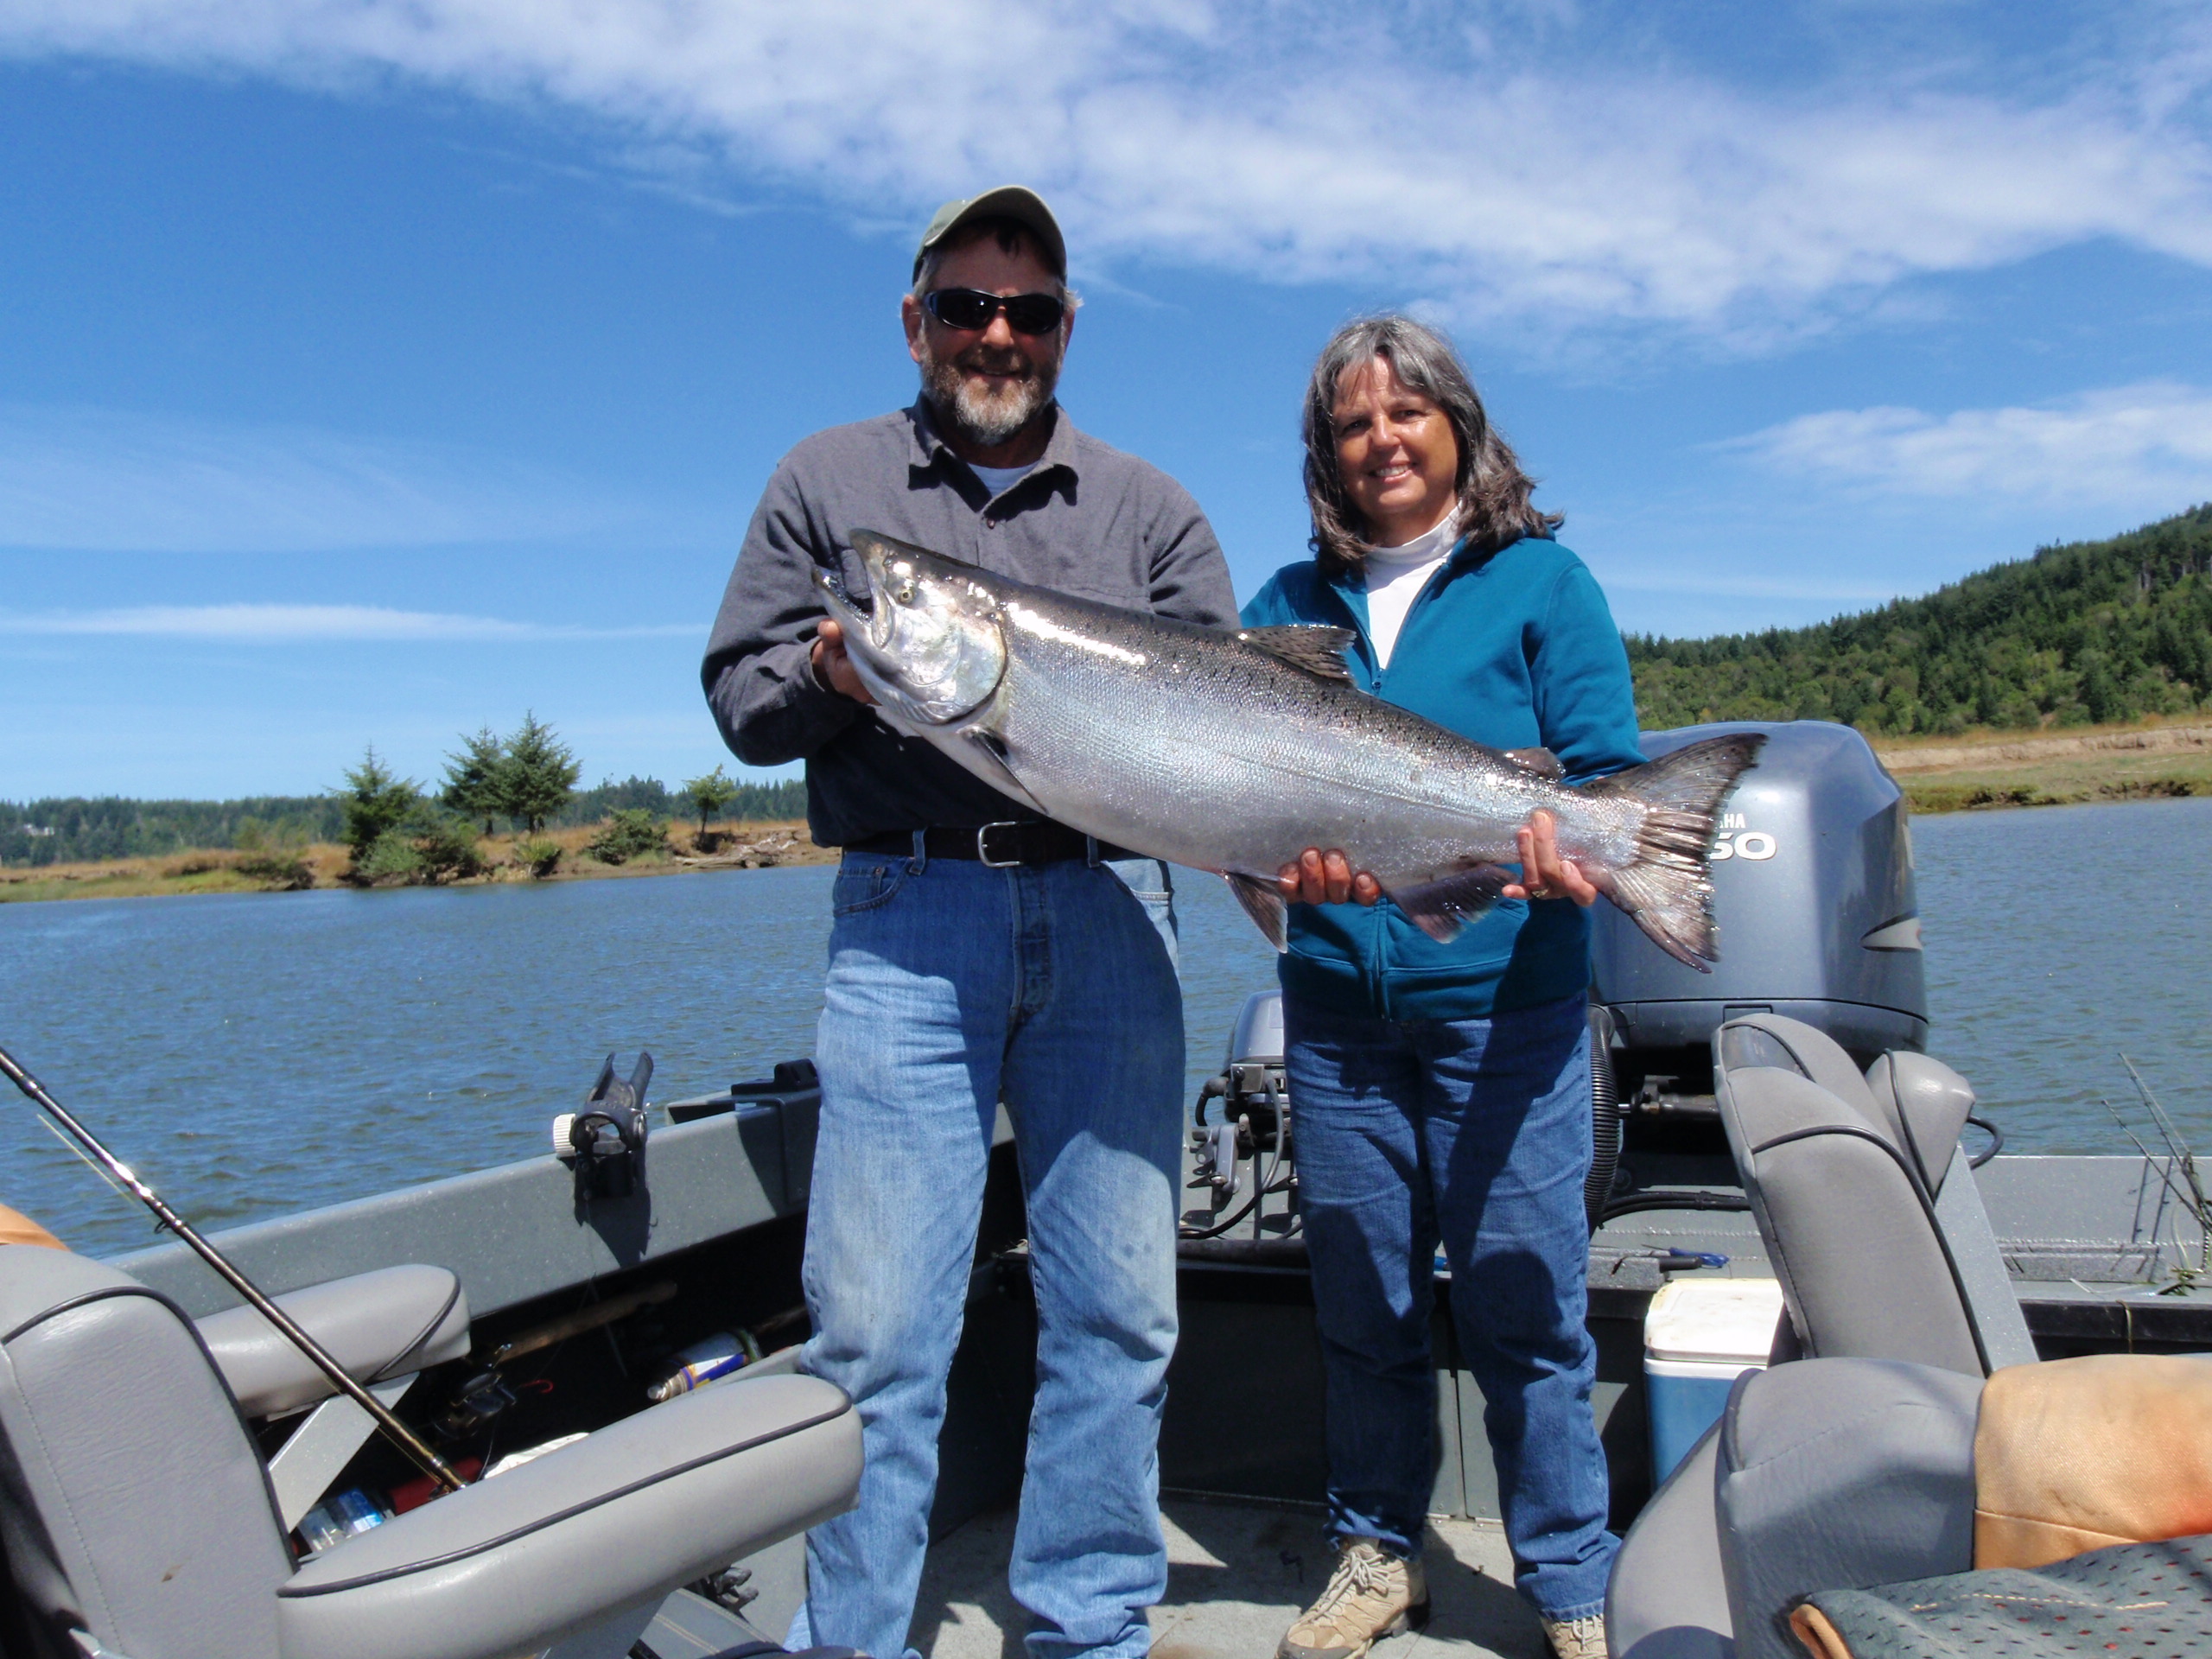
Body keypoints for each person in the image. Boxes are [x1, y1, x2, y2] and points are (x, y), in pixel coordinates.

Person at [701, 187, 1236, 1659]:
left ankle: (1090, 1629)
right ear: (914, 318)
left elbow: (1236, 739)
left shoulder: (1152, 510)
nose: (997, 335)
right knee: (876, 1335)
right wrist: (833, 672)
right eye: (966, 307)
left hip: (1115, 909)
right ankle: (855, 1639)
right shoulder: (830, 480)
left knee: (1122, 1318)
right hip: (907, 914)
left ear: (1066, 329)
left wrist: (1288, 851)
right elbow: (743, 701)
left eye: (1030, 311)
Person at [1242, 315, 1642, 1659]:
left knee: (1527, 1304)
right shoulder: (1283, 613)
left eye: (1406, 414)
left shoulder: (1544, 584)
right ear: (1327, 456)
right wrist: (1282, 883)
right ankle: (1379, 1552)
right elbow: (1247, 829)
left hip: (1509, 1011)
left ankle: (1572, 1581)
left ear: (1459, 425)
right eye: (1354, 425)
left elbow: (1597, 775)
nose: (1382, 442)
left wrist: (1561, 841)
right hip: (1340, 1018)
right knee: (1364, 1302)